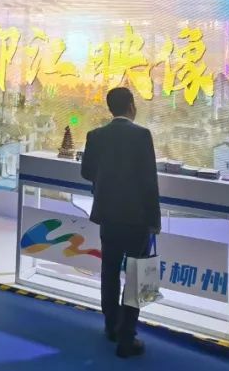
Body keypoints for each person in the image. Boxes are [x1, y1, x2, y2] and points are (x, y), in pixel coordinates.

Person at [81, 87, 160, 358]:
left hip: (108, 216)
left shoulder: (96, 135)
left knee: (110, 271)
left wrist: (106, 179)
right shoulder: (142, 135)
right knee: (136, 275)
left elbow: (86, 171)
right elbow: (149, 181)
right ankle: (127, 337)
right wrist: (154, 220)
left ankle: (111, 326)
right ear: (131, 106)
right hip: (137, 219)